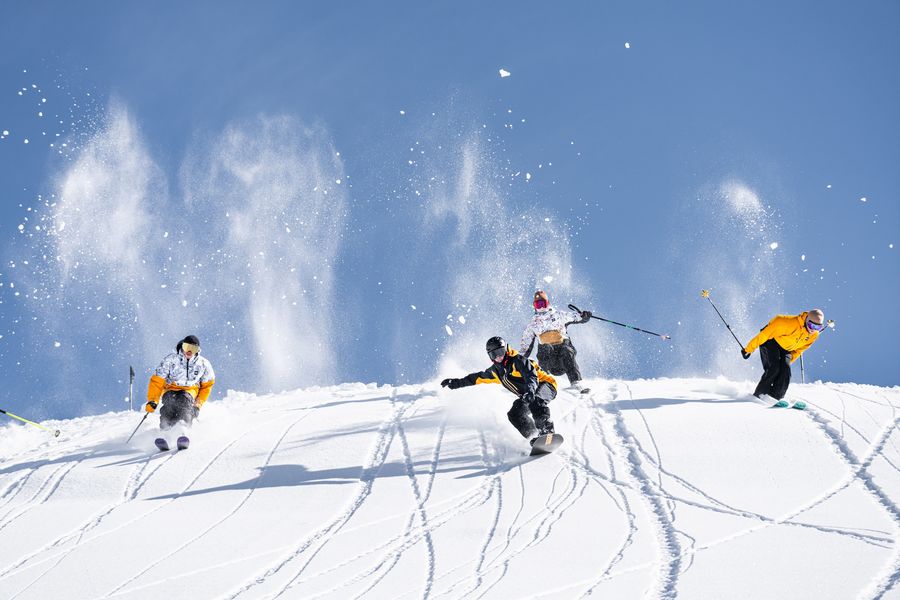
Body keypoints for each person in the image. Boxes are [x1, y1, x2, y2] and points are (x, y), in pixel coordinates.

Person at [441, 336, 558, 444]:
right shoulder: (496, 372)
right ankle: (535, 436)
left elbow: (531, 376)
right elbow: (476, 378)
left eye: (500, 352)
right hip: (528, 394)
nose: (498, 356)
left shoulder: (518, 361)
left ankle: (546, 430)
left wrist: (530, 391)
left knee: (536, 400)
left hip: (546, 385)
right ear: (490, 356)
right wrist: (456, 383)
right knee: (514, 414)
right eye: (494, 354)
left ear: (506, 349)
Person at [145, 335, 215, 449]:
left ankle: (183, 431)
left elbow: (207, 386)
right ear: (182, 346)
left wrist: (197, 405)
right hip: (171, 388)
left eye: (193, 349)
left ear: (198, 350)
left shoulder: (203, 364)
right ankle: (165, 432)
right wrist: (153, 400)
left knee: (184, 402)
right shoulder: (171, 360)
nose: (189, 351)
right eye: (187, 347)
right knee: (169, 404)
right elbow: (157, 381)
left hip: (190, 390)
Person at [741, 309, 826, 402]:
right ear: (806, 319)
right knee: (774, 368)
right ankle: (760, 395)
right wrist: (748, 349)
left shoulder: (814, 335)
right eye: (811, 325)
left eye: (817, 327)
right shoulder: (787, 322)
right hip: (770, 340)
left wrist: (786, 363)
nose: (813, 329)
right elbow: (764, 335)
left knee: (785, 372)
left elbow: (799, 350)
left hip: (786, 348)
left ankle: (776, 397)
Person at [519, 289, 592, 391]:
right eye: (538, 305)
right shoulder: (533, 325)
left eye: (543, 304)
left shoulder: (559, 315)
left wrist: (584, 316)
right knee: (545, 347)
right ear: (534, 306)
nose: (541, 308)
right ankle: (543, 382)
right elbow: (525, 347)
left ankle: (575, 382)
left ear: (547, 303)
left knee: (567, 350)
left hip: (563, 358)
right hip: (549, 362)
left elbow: (575, 317)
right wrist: (518, 362)